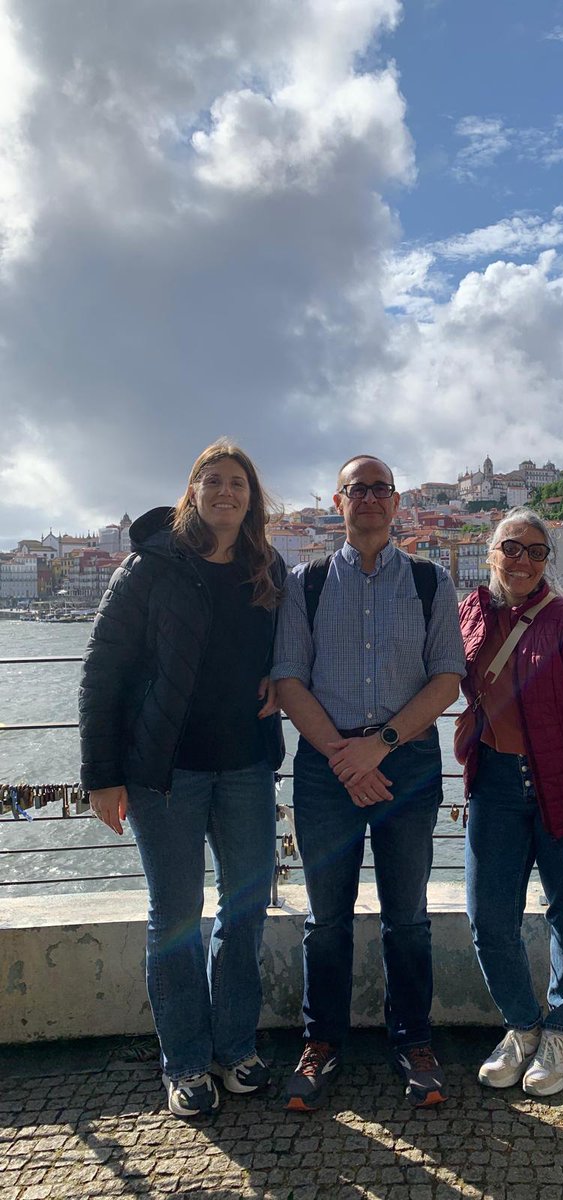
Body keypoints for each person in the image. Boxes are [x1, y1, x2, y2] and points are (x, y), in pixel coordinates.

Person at [79, 440, 286, 1118]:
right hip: (163, 774)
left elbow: (286, 651)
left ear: (251, 498)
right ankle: (187, 1063)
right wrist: (102, 776)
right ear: (192, 491)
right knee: (175, 918)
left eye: (238, 483)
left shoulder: (267, 566)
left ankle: (235, 1046)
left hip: (248, 767)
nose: (226, 492)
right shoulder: (150, 566)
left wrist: (278, 683)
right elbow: (103, 671)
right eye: (214, 480)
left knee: (246, 910)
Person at [272, 454, 465, 1112]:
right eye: (359, 489)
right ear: (339, 500)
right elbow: (289, 679)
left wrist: (376, 748)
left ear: (398, 501)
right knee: (325, 921)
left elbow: (446, 680)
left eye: (382, 488)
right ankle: (320, 1044)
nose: (372, 498)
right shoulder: (308, 582)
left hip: (404, 759)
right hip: (328, 768)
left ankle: (413, 1041)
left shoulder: (431, 581)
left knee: (407, 918)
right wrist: (342, 755)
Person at [456, 509, 563, 1096]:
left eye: (535, 551)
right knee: (487, 919)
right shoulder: (470, 613)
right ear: (491, 552)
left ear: (548, 561)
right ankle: (523, 1027)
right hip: (494, 787)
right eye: (511, 548)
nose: (522, 560)